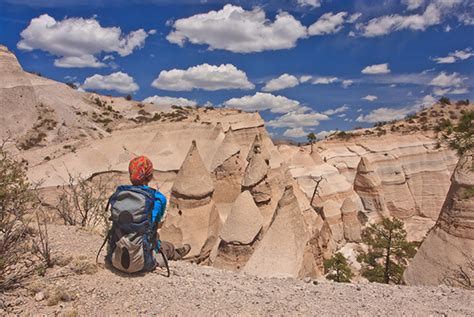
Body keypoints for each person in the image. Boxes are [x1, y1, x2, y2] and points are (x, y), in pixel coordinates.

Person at [104, 156, 190, 273]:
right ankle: (176, 254)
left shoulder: (120, 195)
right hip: (141, 261)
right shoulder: (158, 198)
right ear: (150, 176)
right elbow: (153, 224)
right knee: (167, 246)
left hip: (115, 256)